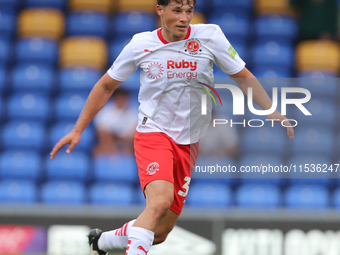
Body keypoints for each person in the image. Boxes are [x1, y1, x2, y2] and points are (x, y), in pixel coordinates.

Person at [50, 0, 294, 254]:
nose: (184, 18)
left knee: (160, 232)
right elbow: (106, 86)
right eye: (177, 11)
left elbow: (243, 76)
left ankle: (101, 242)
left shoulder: (210, 37)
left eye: (188, 11)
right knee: (160, 201)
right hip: (153, 132)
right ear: (160, 10)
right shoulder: (140, 44)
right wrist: (78, 129)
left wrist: (271, 110)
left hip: (189, 141)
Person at [93, 88, 137, 156]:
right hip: (109, 141)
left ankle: (126, 157)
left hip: (127, 143)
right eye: (119, 98)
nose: (121, 100)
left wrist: (123, 139)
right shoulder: (105, 111)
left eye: (123, 98)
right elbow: (102, 131)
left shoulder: (133, 112)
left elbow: (134, 131)